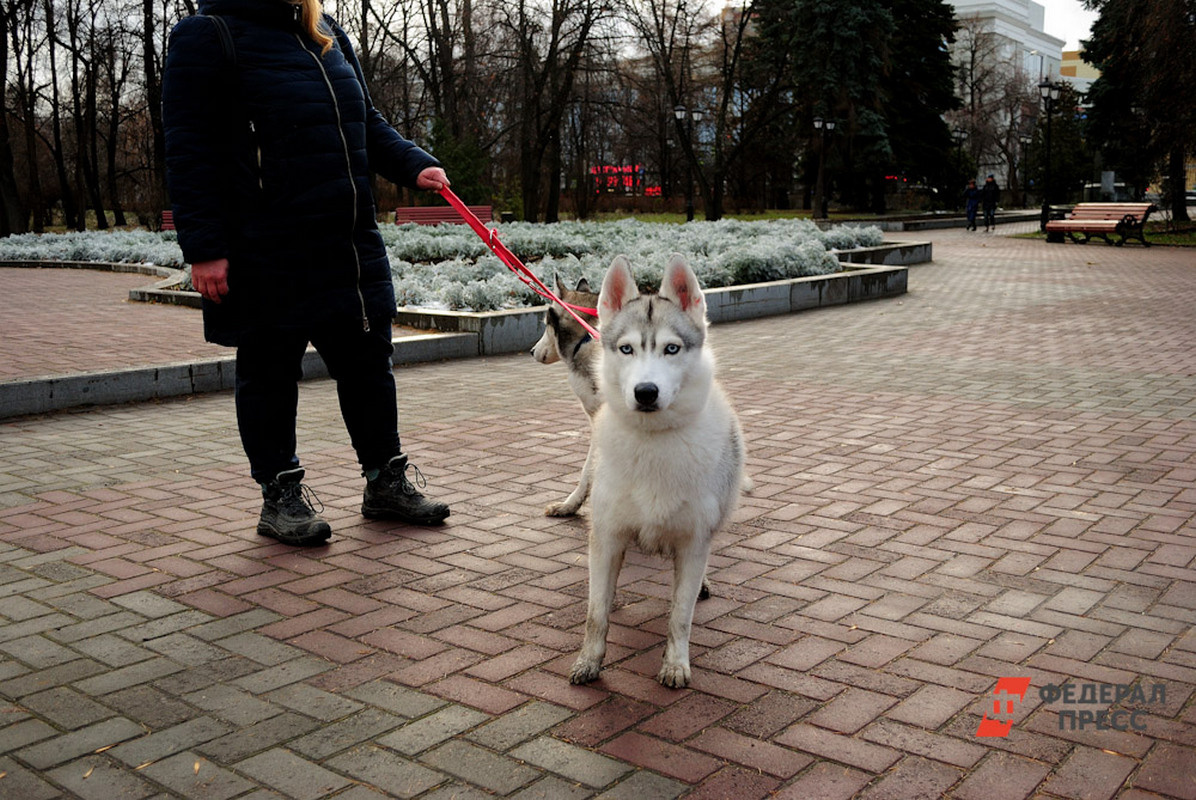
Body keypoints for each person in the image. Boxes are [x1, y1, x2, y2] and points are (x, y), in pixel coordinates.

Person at [163, 0, 451, 546]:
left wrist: (413, 162)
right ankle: (280, 494)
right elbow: (188, 151)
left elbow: (365, 123)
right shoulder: (207, 36)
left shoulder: (323, 31)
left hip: (347, 244)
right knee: (269, 375)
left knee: (369, 366)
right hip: (264, 249)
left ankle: (385, 481)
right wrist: (204, 248)